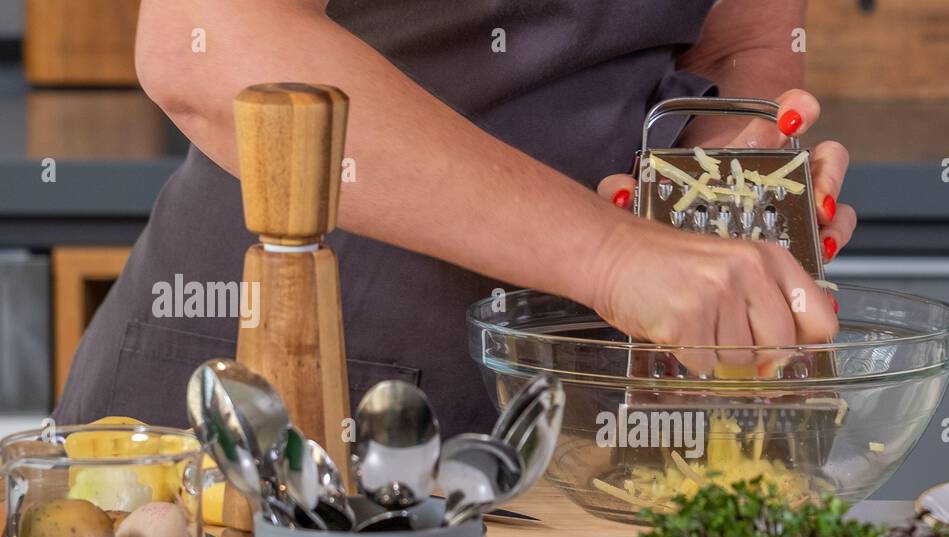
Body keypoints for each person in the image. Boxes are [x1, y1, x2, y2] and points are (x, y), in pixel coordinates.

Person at [54, 0, 857, 437]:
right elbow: (205, 42)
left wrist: (735, 191)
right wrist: (613, 253)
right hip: (298, 383)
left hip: (586, 406)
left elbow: (737, 46)